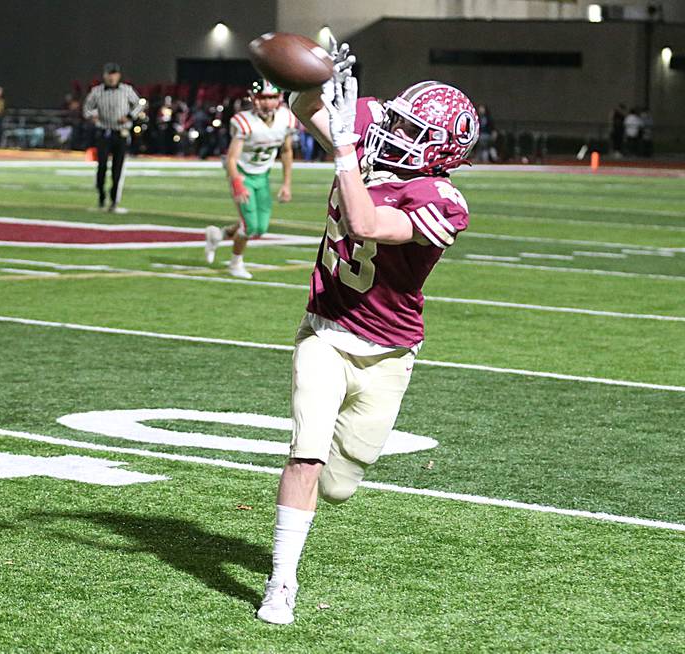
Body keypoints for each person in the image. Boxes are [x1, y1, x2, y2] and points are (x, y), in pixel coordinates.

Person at [254, 39, 479, 625]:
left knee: (340, 485)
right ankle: (282, 582)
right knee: (305, 456)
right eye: (399, 121)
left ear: (441, 153)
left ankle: (320, 495)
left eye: (413, 130)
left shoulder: (442, 201)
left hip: (389, 353)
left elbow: (364, 221)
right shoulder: (372, 142)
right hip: (326, 330)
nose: (397, 132)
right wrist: (316, 77)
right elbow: (305, 109)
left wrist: (348, 152)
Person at [204, 80, 296, 279]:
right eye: (263, 97)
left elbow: (287, 151)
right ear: (254, 99)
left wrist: (286, 183)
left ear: (279, 98)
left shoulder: (286, 118)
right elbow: (231, 158)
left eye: (271, 97)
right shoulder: (244, 122)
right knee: (250, 226)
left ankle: (218, 235)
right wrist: (236, 182)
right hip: (242, 173)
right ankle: (235, 263)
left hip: (262, 175)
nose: (268, 103)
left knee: (260, 227)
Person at [82, 62, 143, 212]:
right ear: (105, 75)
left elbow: (139, 104)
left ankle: (114, 199)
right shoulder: (97, 91)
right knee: (101, 165)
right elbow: (87, 109)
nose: (111, 77)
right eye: (109, 74)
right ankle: (101, 195)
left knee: (118, 168)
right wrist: (93, 116)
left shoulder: (126, 90)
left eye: (114, 74)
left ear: (118, 76)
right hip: (104, 131)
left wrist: (129, 116)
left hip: (120, 132)